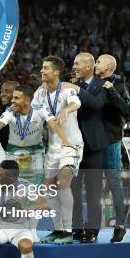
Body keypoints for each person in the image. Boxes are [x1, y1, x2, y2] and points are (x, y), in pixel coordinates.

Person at [32, 56, 85, 245]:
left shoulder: (66, 89)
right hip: (53, 146)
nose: (41, 71)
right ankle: (58, 229)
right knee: (49, 187)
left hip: (71, 144)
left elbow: (76, 103)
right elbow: (39, 116)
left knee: (63, 182)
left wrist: (67, 110)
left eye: (45, 68)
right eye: (42, 67)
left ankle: (69, 231)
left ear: (55, 72)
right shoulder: (39, 93)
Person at [0, 84, 73, 186]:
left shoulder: (40, 108)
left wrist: (65, 141)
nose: (12, 101)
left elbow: (54, 124)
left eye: (16, 98)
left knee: (36, 186)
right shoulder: (9, 111)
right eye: (13, 97)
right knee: (11, 185)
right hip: (13, 152)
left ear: (27, 101)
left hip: (35, 151)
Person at [69, 52, 109, 243]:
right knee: (73, 190)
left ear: (88, 67)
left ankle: (92, 229)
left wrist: (76, 88)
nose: (74, 66)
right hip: (73, 147)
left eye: (77, 64)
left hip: (94, 146)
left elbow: (96, 105)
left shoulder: (103, 85)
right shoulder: (68, 84)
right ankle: (76, 227)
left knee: (94, 192)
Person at [95, 54, 130, 243]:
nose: (95, 64)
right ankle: (91, 227)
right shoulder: (91, 82)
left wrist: (112, 91)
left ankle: (120, 226)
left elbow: (127, 110)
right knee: (91, 185)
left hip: (110, 141)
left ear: (109, 66)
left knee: (113, 183)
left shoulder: (119, 84)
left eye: (99, 61)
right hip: (91, 142)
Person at [0, 81, 19, 149]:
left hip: (17, 146)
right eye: (1, 91)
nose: (2, 94)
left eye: (7, 92)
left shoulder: (23, 107)